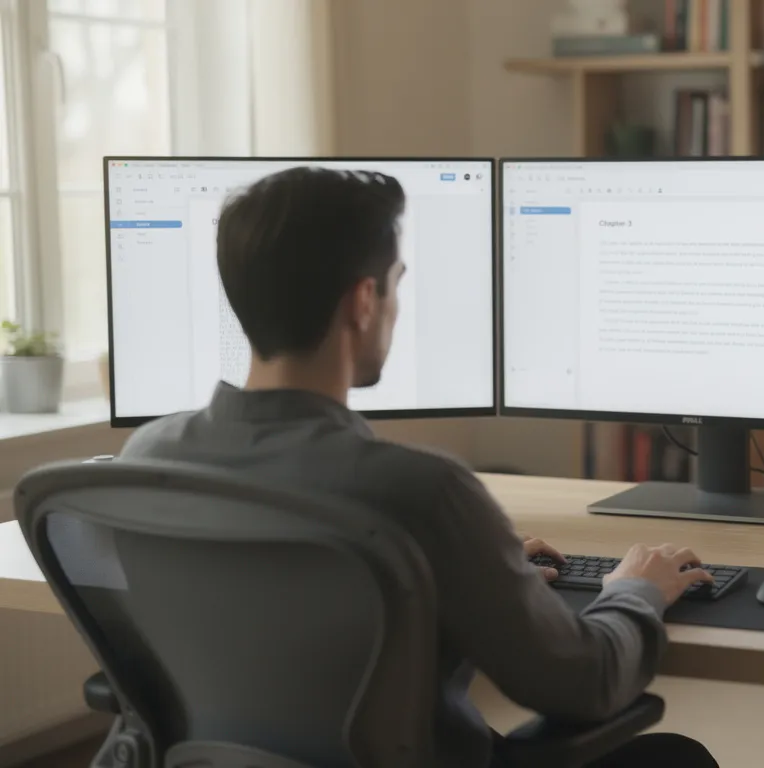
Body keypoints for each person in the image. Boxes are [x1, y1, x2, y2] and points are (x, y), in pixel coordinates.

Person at [121, 168, 719, 768]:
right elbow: (585, 683)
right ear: (364, 301)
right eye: (395, 285)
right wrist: (635, 590)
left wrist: (467, 581)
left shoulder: (147, 461)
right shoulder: (421, 491)